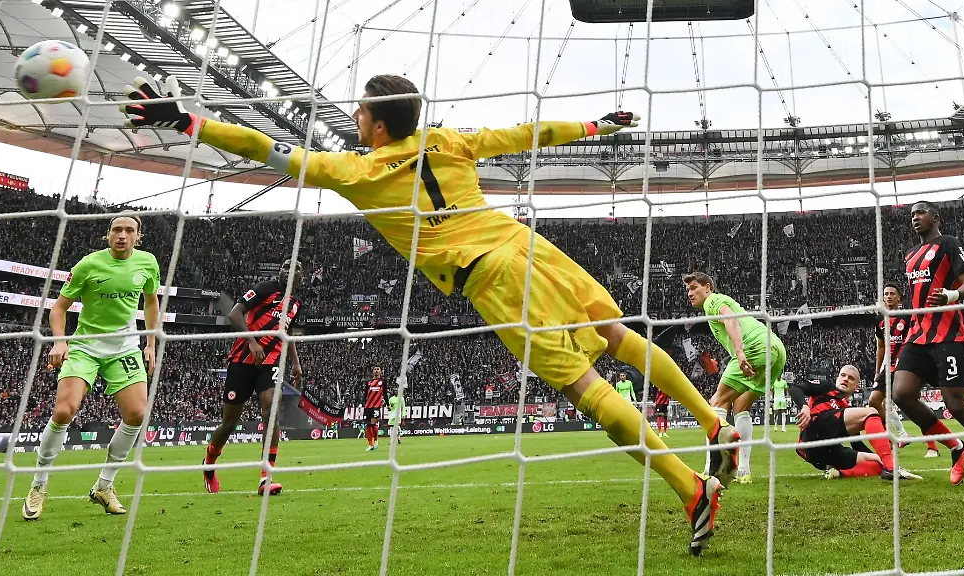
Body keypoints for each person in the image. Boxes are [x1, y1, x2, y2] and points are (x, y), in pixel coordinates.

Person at [122, 73, 739, 555]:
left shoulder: (355, 171)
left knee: (585, 387)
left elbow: (265, 147)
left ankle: (691, 491)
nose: (354, 119)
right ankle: (714, 423)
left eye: (360, 112)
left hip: (491, 275)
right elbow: (526, 134)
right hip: (525, 241)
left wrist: (188, 120)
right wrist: (594, 124)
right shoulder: (450, 140)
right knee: (615, 336)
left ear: (379, 123)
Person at [23, 216, 159, 520]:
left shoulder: (148, 263)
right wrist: (60, 342)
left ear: (138, 236)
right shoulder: (87, 265)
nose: (122, 235)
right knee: (63, 411)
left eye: (129, 230)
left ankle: (104, 486)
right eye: (116, 230)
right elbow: (58, 308)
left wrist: (150, 344)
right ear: (107, 235)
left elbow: (151, 302)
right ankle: (38, 485)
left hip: (124, 346)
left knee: (137, 414)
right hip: (85, 345)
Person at [891, 201, 964, 489]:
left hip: (949, 336)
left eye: (921, 212)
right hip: (918, 336)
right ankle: (956, 447)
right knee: (901, 394)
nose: (915, 218)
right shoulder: (910, 255)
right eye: (912, 214)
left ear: (936, 217)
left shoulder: (949, 244)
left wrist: (951, 296)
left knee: (956, 405)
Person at [202, 259, 304, 496]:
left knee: (271, 412)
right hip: (242, 360)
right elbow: (235, 313)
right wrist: (252, 341)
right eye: (285, 266)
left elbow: (286, 334)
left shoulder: (296, 304)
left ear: (301, 277)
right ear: (279, 271)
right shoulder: (265, 289)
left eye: (295, 269)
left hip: (270, 364)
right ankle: (209, 463)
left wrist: (296, 362)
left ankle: (266, 478)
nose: (288, 271)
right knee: (229, 422)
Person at [684, 271, 786, 485]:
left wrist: (740, 353)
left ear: (708, 287)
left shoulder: (714, 300)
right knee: (741, 407)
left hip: (754, 347)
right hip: (776, 348)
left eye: (694, 288)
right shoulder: (717, 303)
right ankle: (744, 471)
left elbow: (730, 319)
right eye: (688, 290)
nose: (690, 293)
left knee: (717, 403)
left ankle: (710, 471)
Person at [791, 366, 921, 481]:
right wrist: (804, 406)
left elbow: (857, 443)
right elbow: (795, 388)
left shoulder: (847, 410)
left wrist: (882, 456)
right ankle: (891, 468)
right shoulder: (826, 387)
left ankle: (838, 473)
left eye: (851, 378)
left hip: (823, 454)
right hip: (813, 433)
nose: (846, 379)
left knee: (878, 462)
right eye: (843, 375)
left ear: (856, 386)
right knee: (871, 411)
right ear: (837, 378)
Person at [869, 283, 938, 457]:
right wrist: (877, 371)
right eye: (886, 294)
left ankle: (932, 446)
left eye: (892, 293)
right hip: (888, 368)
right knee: (875, 401)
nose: (889, 296)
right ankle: (895, 438)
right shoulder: (879, 320)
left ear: (899, 298)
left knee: (912, 404)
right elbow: (881, 346)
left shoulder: (907, 317)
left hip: (905, 366)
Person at [364, 366, 388, 451]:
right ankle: (370, 444)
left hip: (376, 406)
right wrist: (362, 404)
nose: (376, 370)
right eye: (375, 369)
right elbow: (365, 394)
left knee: (373, 423)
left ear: (381, 372)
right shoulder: (368, 382)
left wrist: (388, 404)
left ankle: (376, 440)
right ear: (372, 372)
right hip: (368, 406)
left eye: (378, 369)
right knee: (368, 425)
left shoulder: (383, 382)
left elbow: (385, 394)